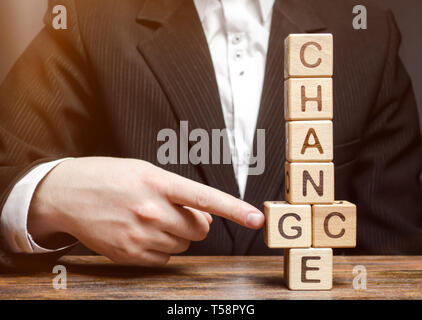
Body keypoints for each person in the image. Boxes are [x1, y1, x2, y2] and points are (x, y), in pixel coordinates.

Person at [0, 0, 421, 270]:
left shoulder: (366, 33)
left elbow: (397, 256)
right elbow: (8, 168)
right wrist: (48, 195)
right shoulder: (86, 17)